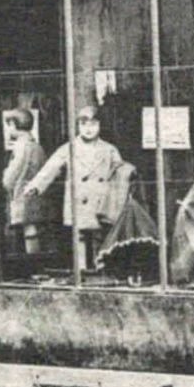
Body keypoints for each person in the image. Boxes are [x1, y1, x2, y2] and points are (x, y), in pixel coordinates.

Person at [21, 104, 134, 272]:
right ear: (77, 126)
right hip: (78, 196)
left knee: (98, 234)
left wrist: (129, 173)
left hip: (100, 198)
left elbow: (120, 170)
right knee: (79, 234)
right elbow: (51, 168)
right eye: (83, 124)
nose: (88, 129)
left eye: (93, 124)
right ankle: (80, 267)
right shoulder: (69, 148)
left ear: (100, 126)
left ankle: (99, 265)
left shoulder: (109, 149)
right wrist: (36, 186)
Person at [1, 108, 47, 255]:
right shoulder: (36, 145)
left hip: (22, 194)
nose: (7, 129)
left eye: (8, 125)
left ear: (14, 125)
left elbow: (12, 174)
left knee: (28, 228)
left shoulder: (21, 146)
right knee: (31, 227)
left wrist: (5, 180)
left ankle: (32, 262)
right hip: (34, 194)